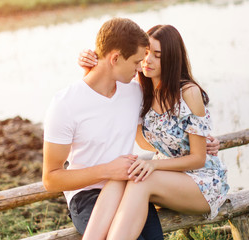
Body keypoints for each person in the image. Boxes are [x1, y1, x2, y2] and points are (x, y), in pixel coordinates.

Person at [79, 24, 229, 240]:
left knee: (141, 179)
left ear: (171, 59)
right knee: (126, 171)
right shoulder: (141, 91)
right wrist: (88, 62)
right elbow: (143, 141)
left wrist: (154, 163)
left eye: (157, 55)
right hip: (170, 175)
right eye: (146, 53)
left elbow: (198, 159)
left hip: (204, 181)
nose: (147, 60)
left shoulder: (188, 92)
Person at [43, 18, 165, 240]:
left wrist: (195, 143)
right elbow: (51, 179)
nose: (141, 68)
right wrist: (108, 170)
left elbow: (147, 139)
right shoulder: (65, 104)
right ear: (115, 58)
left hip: (129, 189)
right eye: (137, 61)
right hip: (86, 196)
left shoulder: (134, 93)